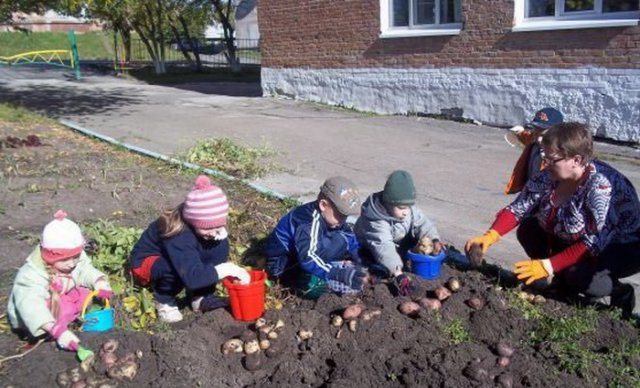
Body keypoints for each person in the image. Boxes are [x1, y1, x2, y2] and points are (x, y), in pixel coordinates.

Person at [467, 123, 640, 317]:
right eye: (544, 156)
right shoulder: (550, 176)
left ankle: (620, 292)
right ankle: (562, 279)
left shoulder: (601, 187)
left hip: (619, 247)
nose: (545, 163)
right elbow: (519, 208)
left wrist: (547, 265)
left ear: (576, 159)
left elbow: (591, 242)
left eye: (552, 159)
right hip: (573, 235)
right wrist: (490, 235)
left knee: (577, 274)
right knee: (529, 228)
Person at [129, 175, 250, 323]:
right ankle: (164, 300)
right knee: (173, 268)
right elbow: (191, 276)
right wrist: (224, 270)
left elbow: (211, 241)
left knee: (219, 244)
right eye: (208, 228)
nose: (214, 231)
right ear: (193, 222)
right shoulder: (179, 235)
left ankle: (200, 296)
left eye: (219, 226)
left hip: (177, 257)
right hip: (146, 263)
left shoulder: (207, 231)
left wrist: (218, 265)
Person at [7, 210, 113, 352]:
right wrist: (56, 330)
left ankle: (74, 321)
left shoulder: (74, 260)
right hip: (33, 317)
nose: (71, 263)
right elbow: (31, 307)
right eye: (64, 259)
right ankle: (42, 338)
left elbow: (84, 270)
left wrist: (99, 281)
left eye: (75, 257)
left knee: (85, 294)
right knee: (65, 308)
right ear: (49, 256)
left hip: (61, 295)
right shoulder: (31, 275)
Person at [264, 176, 365, 298]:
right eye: (340, 215)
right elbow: (308, 257)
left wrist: (362, 258)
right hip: (283, 265)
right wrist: (336, 273)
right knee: (317, 283)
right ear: (323, 205)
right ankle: (300, 281)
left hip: (302, 254)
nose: (343, 221)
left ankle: (323, 269)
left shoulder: (331, 218)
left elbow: (348, 237)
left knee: (341, 238)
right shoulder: (307, 223)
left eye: (345, 217)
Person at [354, 170, 442, 296]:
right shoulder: (375, 219)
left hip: (394, 243)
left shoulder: (406, 210)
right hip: (368, 249)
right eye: (401, 208)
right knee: (377, 269)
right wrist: (398, 274)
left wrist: (434, 239)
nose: (406, 212)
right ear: (388, 203)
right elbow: (383, 246)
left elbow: (423, 223)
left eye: (408, 207)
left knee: (415, 237)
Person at [504, 107, 564, 194]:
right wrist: (518, 132)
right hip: (530, 191)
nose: (539, 139)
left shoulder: (562, 152)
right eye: (536, 131)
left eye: (544, 135)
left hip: (547, 196)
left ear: (558, 132)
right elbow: (522, 135)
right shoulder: (533, 140)